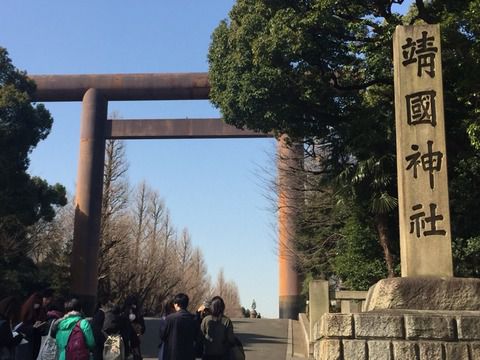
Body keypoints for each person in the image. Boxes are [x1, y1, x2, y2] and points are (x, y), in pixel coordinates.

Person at [159, 293, 199, 360]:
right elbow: (196, 337)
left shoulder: (170, 318)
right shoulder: (193, 319)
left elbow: (162, 335)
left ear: (176, 304)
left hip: (172, 354)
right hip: (188, 355)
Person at [16, 292, 48, 360]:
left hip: (36, 340)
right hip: (27, 342)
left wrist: (41, 327)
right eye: (37, 303)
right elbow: (19, 328)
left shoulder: (40, 311)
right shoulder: (25, 312)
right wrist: (32, 327)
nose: (38, 305)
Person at [122, 295, 145, 360]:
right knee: (136, 355)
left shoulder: (123, 312)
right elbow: (143, 328)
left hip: (124, 339)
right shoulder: (137, 312)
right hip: (135, 339)